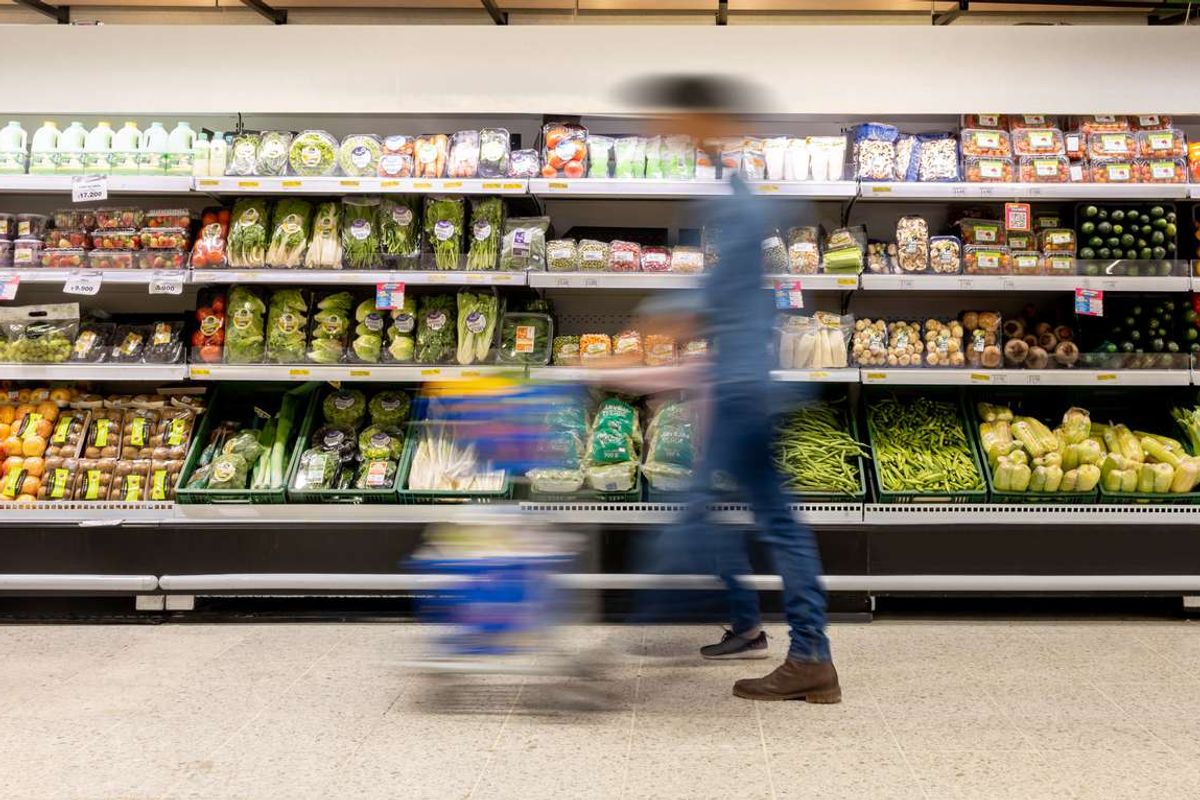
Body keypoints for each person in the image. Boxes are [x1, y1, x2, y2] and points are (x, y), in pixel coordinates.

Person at [626, 74, 840, 704]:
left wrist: (661, 313)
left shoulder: (740, 205)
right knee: (750, 519)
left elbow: (715, 294)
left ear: (709, 120)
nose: (669, 133)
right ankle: (771, 636)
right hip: (741, 380)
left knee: (701, 517)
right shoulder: (734, 190)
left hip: (744, 388)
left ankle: (807, 655)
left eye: (681, 122)